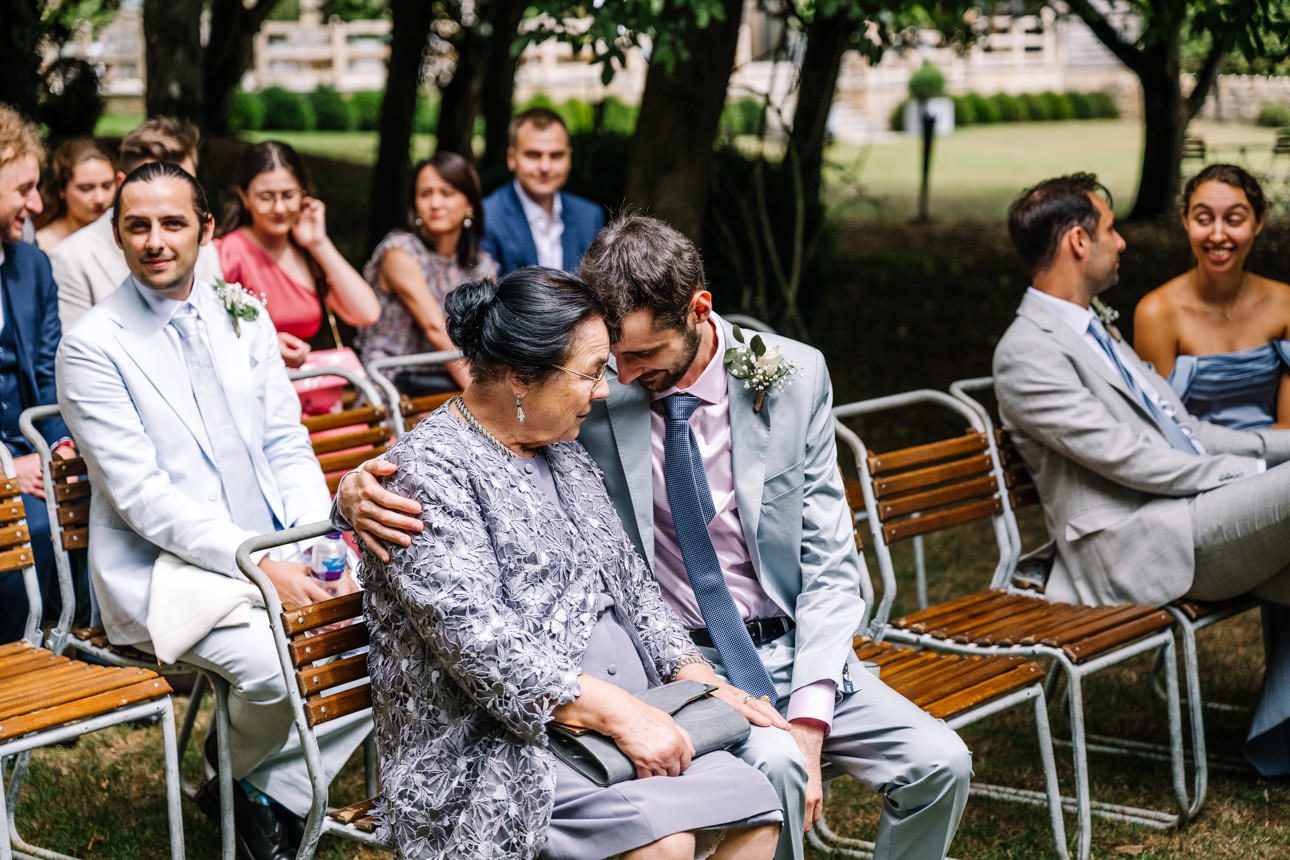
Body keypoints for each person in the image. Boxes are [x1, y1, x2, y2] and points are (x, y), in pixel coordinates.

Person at [339, 216, 973, 860]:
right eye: (598, 367)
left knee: (841, 787)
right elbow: (469, 606)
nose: (615, 381)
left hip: (729, 666)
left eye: (628, 361)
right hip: (530, 724)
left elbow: (646, 583)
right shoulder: (516, 438)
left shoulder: (580, 441)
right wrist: (350, 493)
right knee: (720, 810)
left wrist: (735, 691)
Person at [364, 266, 782, 859]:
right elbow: (481, 645)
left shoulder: (563, 451)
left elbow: (633, 587)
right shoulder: (425, 475)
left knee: (756, 809)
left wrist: (693, 673)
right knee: (667, 845)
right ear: (519, 377)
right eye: (590, 372)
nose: (606, 389)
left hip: (632, 715)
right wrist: (618, 717)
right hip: (503, 749)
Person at [56, 162, 370, 860]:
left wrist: (318, 544)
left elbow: (285, 441)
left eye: (172, 223)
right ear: (117, 235)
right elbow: (143, 499)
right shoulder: (92, 347)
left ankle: (254, 788)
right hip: (167, 570)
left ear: (205, 229)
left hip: (278, 546)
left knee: (390, 629)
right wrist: (260, 567)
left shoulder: (244, 313)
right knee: (270, 668)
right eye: (136, 226)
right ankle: (246, 782)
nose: (154, 241)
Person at [994, 171, 1290, 634]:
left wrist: (1280, 448)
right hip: (1141, 545)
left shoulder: (1094, 328)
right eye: (1110, 229)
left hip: (1190, 516)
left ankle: (1278, 709)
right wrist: (1249, 477)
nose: (1121, 242)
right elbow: (1129, 459)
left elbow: (1185, 428)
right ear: (1078, 241)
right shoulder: (1027, 352)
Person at [1133, 164, 1290, 774]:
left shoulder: (1284, 303)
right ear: (1184, 222)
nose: (1218, 233)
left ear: (1257, 224)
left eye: (1234, 218)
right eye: (1204, 218)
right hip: (1200, 490)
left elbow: (1287, 429)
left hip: (1278, 472)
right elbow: (1165, 437)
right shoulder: (1158, 313)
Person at [0, 105, 78, 644]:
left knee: (93, 489)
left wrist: (61, 446)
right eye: (24, 187)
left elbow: (49, 376)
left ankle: (77, 636)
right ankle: (19, 655)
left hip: (26, 439)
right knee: (36, 523)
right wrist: (7, 468)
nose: (38, 204)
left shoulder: (32, 265)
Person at [216, 140, 378, 370]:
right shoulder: (228, 253)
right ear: (245, 197)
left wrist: (319, 243)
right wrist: (264, 343)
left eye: (288, 195)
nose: (280, 208)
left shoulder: (305, 251)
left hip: (309, 389)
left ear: (304, 194)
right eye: (266, 197)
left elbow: (366, 312)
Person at [50, 116, 223, 331]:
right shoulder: (71, 259)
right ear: (121, 184)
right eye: (151, 180)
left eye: (185, 182)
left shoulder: (203, 243)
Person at [355, 152, 496, 393]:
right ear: (415, 205)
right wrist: (484, 395)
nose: (435, 204)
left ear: (469, 203)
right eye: (425, 194)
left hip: (450, 386)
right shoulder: (400, 252)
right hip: (394, 385)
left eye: (447, 193)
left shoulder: (481, 265)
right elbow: (435, 329)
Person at [481, 108, 604, 276]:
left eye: (556, 155)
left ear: (569, 159)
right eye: (533, 155)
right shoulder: (487, 217)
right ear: (511, 158)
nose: (545, 167)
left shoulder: (590, 216)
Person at [35, 137, 116, 252]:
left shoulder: (123, 237)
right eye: (86, 188)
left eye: (107, 186)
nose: (100, 198)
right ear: (62, 189)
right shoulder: (43, 246)